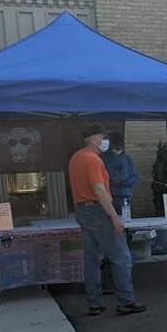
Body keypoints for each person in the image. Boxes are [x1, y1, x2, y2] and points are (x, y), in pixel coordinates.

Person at [68, 124, 146, 316]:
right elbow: (100, 190)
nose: (106, 142)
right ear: (94, 138)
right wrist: (115, 217)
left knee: (92, 258)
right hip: (98, 211)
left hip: (82, 211)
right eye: (103, 137)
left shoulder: (76, 158)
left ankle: (94, 303)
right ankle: (126, 301)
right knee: (121, 257)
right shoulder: (93, 160)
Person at [100, 131, 140, 215]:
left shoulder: (127, 159)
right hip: (108, 198)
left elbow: (135, 178)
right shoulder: (103, 159)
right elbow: (98, 178)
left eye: (119, 148)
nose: (117, 150)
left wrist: (123, 182)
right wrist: (111, 181)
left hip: (124, 198)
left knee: (124, 224)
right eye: (115, 147)